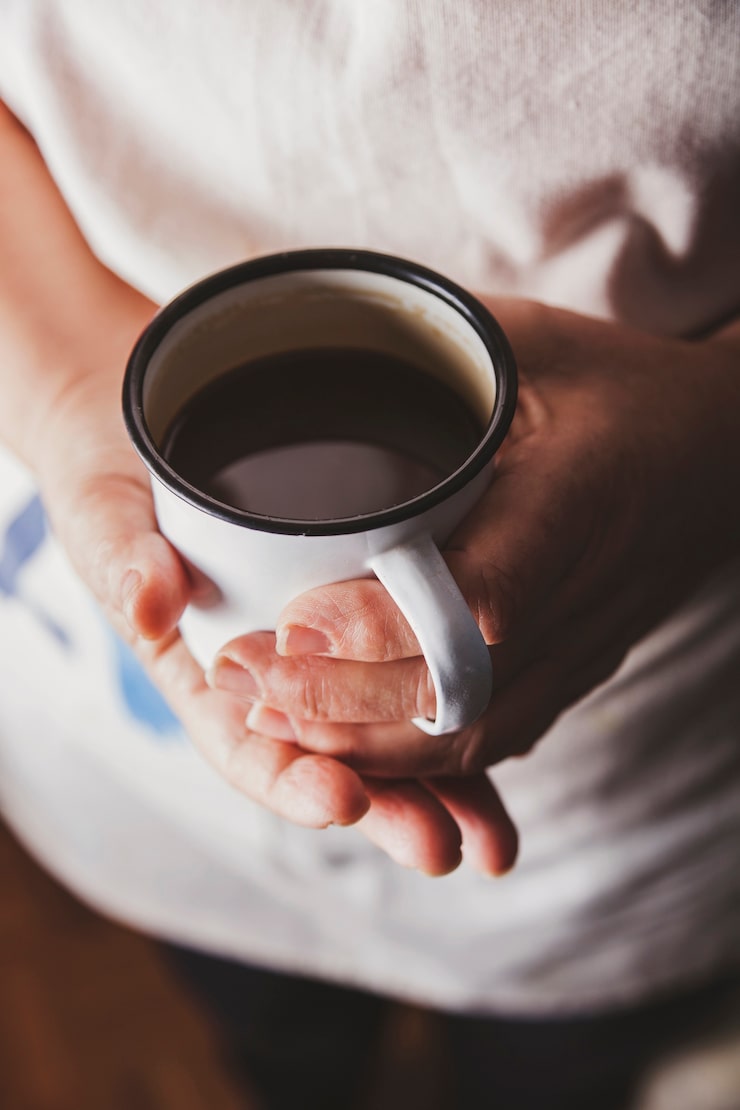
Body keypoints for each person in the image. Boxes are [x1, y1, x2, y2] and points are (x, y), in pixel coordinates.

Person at [1, 3, 739, 1107]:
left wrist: (714, 431)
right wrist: (63, 391)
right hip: (131, 750)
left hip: (629, 802)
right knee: (274, 1042)